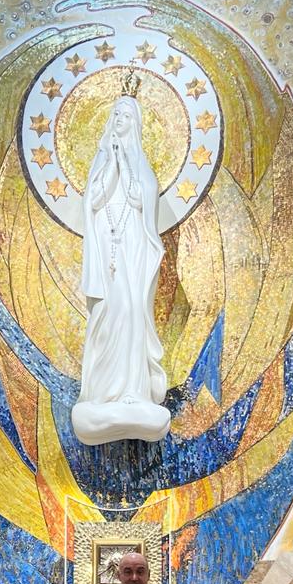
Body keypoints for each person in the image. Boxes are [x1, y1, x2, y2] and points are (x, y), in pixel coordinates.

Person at [73, 93, 172, 444]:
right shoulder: (102, 164)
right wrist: (112, 163)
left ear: (136, 124)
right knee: (106, 315)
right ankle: (103, 391)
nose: (119, 119)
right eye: (115, 114)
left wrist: (127, 162)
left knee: (131, 312)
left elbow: (139, 196)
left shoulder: (141, 167)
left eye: (126, 115)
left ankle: (133, 390)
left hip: (132, 256)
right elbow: (94, 199)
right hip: (107, 258)